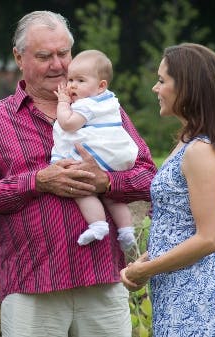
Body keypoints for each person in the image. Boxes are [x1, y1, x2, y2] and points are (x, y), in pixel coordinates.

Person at [0, 10, 157, 336]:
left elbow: (150, 177)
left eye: (64, 53)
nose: (58, 65)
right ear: (18, 58)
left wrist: (106, 181)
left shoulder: (106, 109)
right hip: (33, 288)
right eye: (44, 56)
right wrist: (36, 181)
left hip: (102, 281)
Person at [120, 43, 215, 336]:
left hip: (196, 309)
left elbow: (208, 239)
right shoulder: (187, 143)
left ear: (187, 88)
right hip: (175, 301)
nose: (154, 88)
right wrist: (147, 260)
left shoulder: (200, 151)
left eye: (162, 80)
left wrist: (147, 271)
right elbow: (180, 226)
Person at [50, 50, 138, 252]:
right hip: (114, 155)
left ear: (101, 86)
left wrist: (63, 104)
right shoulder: (109, 101)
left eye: (80, 81)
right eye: (70, 79)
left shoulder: (87, 105)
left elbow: (69, 124)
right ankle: (126, 231)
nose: (72, 85)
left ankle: (98, 225)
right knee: (111, 195)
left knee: (80, 188)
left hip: (96, 153)